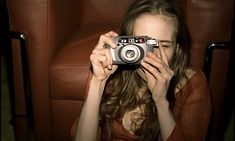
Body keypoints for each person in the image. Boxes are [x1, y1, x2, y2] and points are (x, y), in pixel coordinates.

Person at [72, 0, 212, 141]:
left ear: (177, 48)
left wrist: (161, 102)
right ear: (126, 42)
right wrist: (98, 83)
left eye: (164, 45)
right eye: (143, 44)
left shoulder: (193, 84)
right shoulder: (107, 70)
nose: (152, 55)